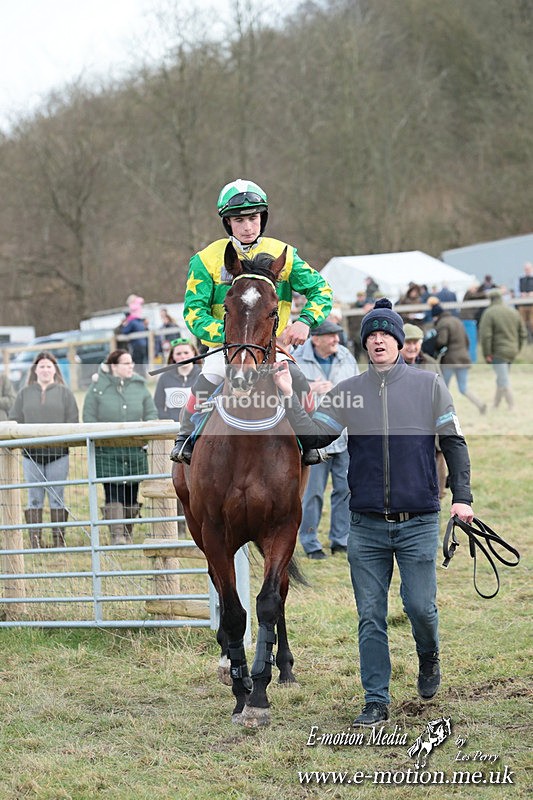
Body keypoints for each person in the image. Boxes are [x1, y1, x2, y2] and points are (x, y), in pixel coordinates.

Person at [272, 299, 474, 726]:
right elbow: (312, 438)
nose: (378, 339)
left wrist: (462, 496)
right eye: (371, 334)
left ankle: (428, 656)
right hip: (365, 525)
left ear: (399, 342)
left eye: (385, 333)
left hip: (418, 520)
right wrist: (291, 398)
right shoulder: (350, 392)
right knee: (370, 615)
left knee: (420, 606)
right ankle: (376, 699)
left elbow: (454, 442)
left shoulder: (430, 385)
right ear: (364, 343)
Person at [170, 178, 333, 465]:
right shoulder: (205, 260)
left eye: (253, 218)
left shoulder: (286, 255)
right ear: (228, 223)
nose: (248, 226)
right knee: (206, 382)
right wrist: (231, 334)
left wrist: (305, 320)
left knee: (298, 381)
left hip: (273, 347)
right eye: (239, 220)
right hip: (227, 348)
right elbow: (193, 312)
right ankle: (185, 437)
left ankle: (310, 443)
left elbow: (321, 290)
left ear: (263, 218)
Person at [293, 319, 359, 559]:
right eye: (331, 336)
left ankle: (340, 540)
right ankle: (310, 542)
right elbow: (284, 390)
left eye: (337, 336)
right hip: (313, 438)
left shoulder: (346, 356)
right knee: (313, 493)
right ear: (315, 338)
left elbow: (358, 386)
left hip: (344, 436)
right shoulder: (297, 358)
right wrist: (311, 387)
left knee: (345, 489)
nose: (336, 340)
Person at [82, 349, 157, 545]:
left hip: (134, 450)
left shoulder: (140, 387)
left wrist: (144, 436)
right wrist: (101, 440)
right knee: (113, 491)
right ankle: (117, 535)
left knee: (131, 491)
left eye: (131, 362)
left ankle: (128, 532)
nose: (131, 366)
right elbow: (88, 416)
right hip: (108, 451)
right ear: (114, 366)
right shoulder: (98, 388)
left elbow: (151, 413)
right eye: (126, 363)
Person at [9, 351, 79, 548]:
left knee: (57, 498)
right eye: (42, 366)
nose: (46, 370)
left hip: (58, 455)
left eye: (49, 366)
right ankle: (35, 541)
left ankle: (58, 542)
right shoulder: (24, 393)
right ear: (35, 370)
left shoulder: (65, 393)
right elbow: (15, 419)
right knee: (34, 499)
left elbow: (73, 420)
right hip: (31, 456)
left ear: (55, 370)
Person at [401, 324, 447, 499]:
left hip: (432, 430)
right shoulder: (390, 366)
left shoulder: (431, 363)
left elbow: (442, 394)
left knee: (436, 479)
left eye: (416, 343)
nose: (412, 347)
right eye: (408, 343)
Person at [430, 303, 487, 414]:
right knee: (463, 388)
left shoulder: (443, 323)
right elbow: (467, 340)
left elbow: (442, 341)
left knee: (443, 388)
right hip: (463, 358)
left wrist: (433, 346)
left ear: (436, 315)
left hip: (450, 361)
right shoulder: (457, 320)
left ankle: (443, 412)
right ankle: (480, 404)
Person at [478, 289, 527, 410]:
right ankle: (496, 405)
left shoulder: (489, 313)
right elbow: (522, 333)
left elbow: (486, 336)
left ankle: (512, 405)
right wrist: (518, 348)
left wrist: (487, 353)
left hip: (498, 352)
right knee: (501, 377)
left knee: (503, 379)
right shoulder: (513, 312)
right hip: (512, 351)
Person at [154, 338, 202, 422]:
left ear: (193, 353)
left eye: (186, 353)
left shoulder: (203, 376)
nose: (183, 357)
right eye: (178, 354)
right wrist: (168, 421)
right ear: (173, 356)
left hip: (198, 427)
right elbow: (158, 406)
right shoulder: (164, 378)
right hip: (172, 429)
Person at [118, 294, 149, 376]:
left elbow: (125, 331)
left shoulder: (132, 321)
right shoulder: (140, 321)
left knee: (137, 362)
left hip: (136, 345)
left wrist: (123, 325)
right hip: (143, 344)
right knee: (142, 362)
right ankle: (143, 376)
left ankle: (139, 376)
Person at [517, 262, 533, 342]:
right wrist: (521, 294)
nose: (527, 270)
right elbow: (517, 291)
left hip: (532, 305)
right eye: (526, 269)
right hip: (522, 305)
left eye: (528, 269)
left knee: (532, 323)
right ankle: (525, 340)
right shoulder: (521, 279)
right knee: (522, 323)